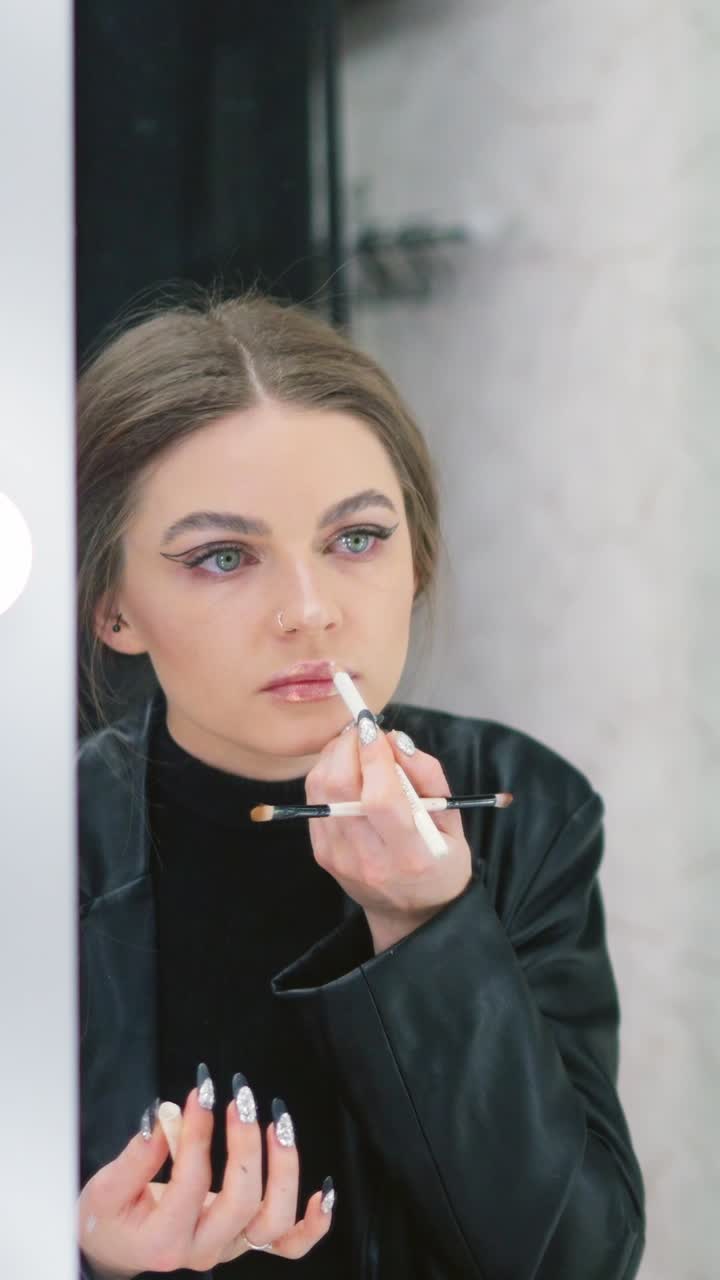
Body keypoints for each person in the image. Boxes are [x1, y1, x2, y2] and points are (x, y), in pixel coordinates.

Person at [76, 291, 645, 1279]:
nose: (309, 611)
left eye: (356, 539)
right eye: (222, 556)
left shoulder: (525, 806)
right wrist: (83, 1254)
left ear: (416, 557)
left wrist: (429, 923)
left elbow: (574, 1259)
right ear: (114, 605)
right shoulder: (41, 842)